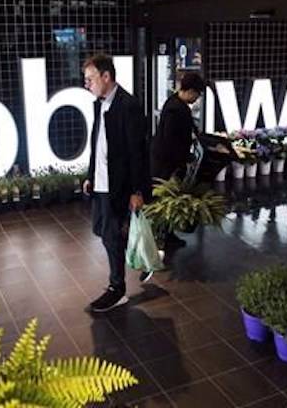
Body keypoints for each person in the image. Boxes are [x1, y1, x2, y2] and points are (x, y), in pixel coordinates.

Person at [82, 54, 149, 312]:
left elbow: (137, 153)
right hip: (100, 181)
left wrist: (137, 190)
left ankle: (117, 287)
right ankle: (124, 266)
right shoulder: (99, 104)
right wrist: (90, 175)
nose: (87, 84)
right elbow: (97, 143)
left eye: (90, 79)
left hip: (118, 186)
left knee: (110, 234)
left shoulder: (128, 106)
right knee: (101, 230)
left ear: (106, 77)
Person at [150, 72, 205, 246]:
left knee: (168, 200)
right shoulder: (176, 109)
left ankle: (167, 235)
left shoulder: (174, 102)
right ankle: (162, 238)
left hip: (166, 162)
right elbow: (170, 141)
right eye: (196, 95)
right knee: (166, 200)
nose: (196, 99)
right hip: (167, 165)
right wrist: (184, 157)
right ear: (189, 91)